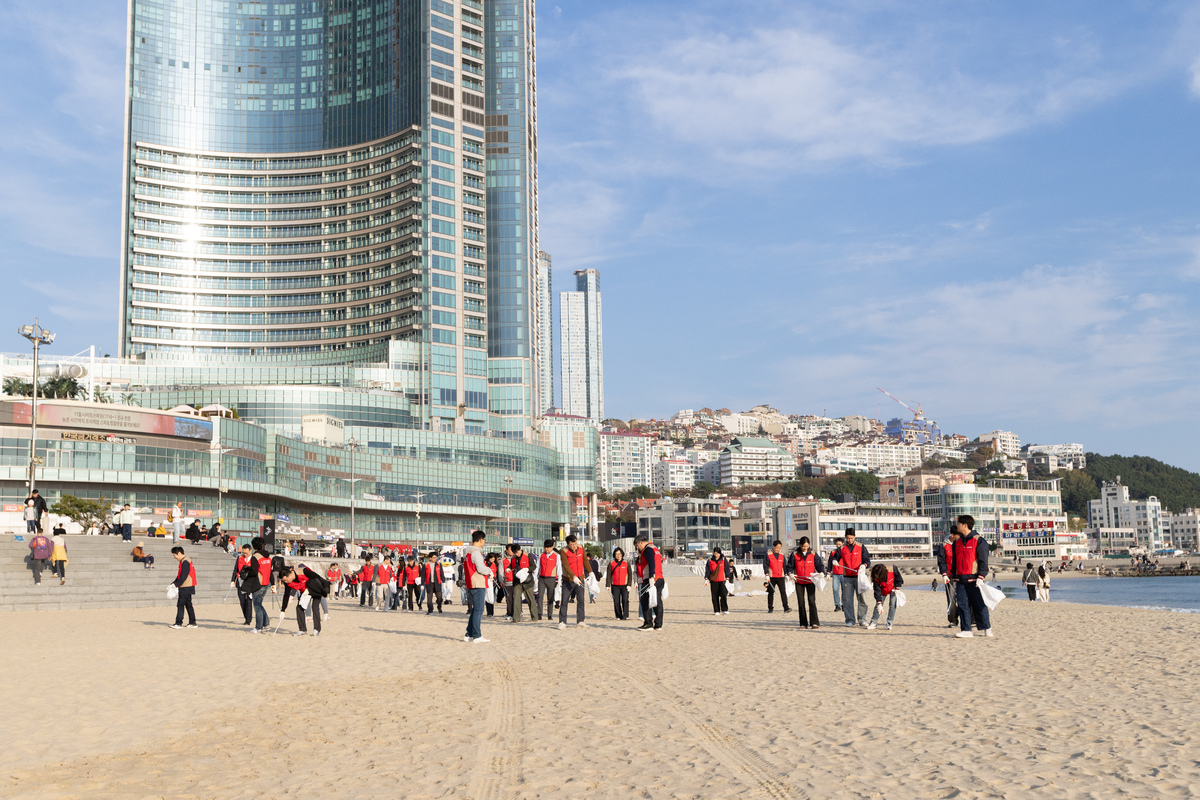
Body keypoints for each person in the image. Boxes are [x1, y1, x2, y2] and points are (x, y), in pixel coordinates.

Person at [949, 515, 991, 638]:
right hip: (960, 579)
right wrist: (953, 575)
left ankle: (987, 627)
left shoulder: (979, 540)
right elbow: (955, 561)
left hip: (974, 578)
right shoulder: (956, 542)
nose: (957, 526)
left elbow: (983, 561)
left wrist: (981, 576)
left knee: (979, 604)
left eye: (959, 524)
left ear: (965, 525)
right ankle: (966, 630)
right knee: (962, 605)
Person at [829, 529, 871, 627]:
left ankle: (862, 619)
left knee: (862, 599)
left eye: (851, 538)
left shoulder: (861, 547)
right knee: (847, 600)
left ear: (855, 537)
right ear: (845, 537)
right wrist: (834, 561)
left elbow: (867, 560)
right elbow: (835, 557)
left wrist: (864, 565)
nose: (849, 540)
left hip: (859, 577)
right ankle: (850, 620)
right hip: (847, 577)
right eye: (847, 538)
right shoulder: (842, 548)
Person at [279, 563, 328, 636]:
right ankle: (302, 629)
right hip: (304, 592)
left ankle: (316, 629)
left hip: (315, 589)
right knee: (299, 608)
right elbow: (286, 595)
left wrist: (324, 589)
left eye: (286, 580)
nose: (286, 582)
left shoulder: (303, 571)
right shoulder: (288, 582)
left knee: (315, 607)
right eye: (284, 581)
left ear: (289, 575)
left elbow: (318, 578)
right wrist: (283, 610)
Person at [463, 530, 492, 643]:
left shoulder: (467, 552)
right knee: (479, 610)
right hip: (477, 583)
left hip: (471, 583)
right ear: (481, 540)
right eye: (484, 539)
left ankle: (469, 634)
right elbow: (481, 568)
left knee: (476, 610)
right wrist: (489, 571)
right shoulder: (475, 552)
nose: (484, 542)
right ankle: (477, 635)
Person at [788, 537, 824, 629]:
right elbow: (789, 566)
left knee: (812, 601)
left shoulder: (813, 554)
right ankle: (803, 623)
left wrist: (821, 572)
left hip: (810, 580)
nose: (805, 548)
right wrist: (790, 574)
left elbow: (819, 565)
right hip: (799, 581)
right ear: (800, 545)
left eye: (807, 546)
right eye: (803, 546)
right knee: (801, 602)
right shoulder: (794, 554)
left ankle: (814, 622)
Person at [557, 534, 589, 629]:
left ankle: (580, 621)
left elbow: (585, 561)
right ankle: (562, 621)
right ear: (568, 544)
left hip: (580, 579)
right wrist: (573, 577)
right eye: (572, 544)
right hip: (568, 580)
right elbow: (566, 566)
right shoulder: (563, 551)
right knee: (564, 601)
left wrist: (591, 573)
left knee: (581, 600)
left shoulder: (581, 548)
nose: (574, 546)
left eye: (575, 543)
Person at [635, 533, 664, 631]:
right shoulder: (655, 548)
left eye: (637, 546)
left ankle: (648, 624)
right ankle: (658, 624)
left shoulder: (647, 549)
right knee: (657, 601)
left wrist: (651, 576)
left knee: (645, 600)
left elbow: (651, 563)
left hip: (651, 578)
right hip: (660, 578)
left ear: (641, 542)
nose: (638, 548)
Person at [506, 544, 538, 622]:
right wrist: (508, 568)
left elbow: (533, 566)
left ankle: (534, 617)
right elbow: (511, 565)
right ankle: (516, 618)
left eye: (518, 552)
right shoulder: (513, 558)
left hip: (527, 580)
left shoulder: (528, 555)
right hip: (517, 581)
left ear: (521, 549)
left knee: (530, 599)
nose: (517, 554)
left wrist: (528, 569)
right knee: (516, 598)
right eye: (515, 553)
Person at [867, 563, 904, 630]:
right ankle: (873, 622)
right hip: (882, 589)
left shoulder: (893, 569)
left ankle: (889, 623)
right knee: (878, 606)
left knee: (892, 605)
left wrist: (897, 588)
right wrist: (879, 602)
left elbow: (899, 578)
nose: (877, 576)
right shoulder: (875, 577)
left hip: (893, 588)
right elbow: (877, 590)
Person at [247, 537, 273, 633]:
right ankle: (266, 624)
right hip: (266, 583)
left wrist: (247, 572)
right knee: (259, 604)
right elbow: (270, 571)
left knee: (257, 605)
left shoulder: (255, 557)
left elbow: (254, 571)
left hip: (258, 583)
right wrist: (273, 583)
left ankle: (259, 627)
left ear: (253, 546)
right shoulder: (267, 557)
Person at [169, 546, 197, 628]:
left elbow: (184, 576)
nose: (175, 557)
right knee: (188, 604)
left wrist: (176, 584)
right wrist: (173, 583)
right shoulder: (185, 560)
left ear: (179, 553)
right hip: (188, 585)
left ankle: (178, 623)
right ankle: (192, 622)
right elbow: (180, 575)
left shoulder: (185, 561)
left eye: (175, 555)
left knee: (180, 604)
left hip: (186, 586)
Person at [229, 544, 255, 625]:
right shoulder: (240, 558)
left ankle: (248, 620)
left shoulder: (254, 559)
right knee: (242, 601)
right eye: (243, 552)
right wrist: (233, 580)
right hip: (240, 582)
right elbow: (235, 570)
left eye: (246, 552)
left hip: (250, 583)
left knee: (248, 601)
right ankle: (246, 617)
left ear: (250, 551)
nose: (245, 554)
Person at [763, 540, 790, 613]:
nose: (778, 549)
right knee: (771, 592)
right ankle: (770, 608)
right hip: (772, 577)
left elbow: (784, 566)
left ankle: (786, 607)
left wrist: (786, 574)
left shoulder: (782, 555)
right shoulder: (768, 554)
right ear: (773, 547)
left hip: (781, 576)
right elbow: (765, 565)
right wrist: (766, 574)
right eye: (777, 547)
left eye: (780, 548)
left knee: (783, 592)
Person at [606, 547, 633, 620]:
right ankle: (618, 616)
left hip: (624, 585)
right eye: (616, 554)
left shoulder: (626, 563)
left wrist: (629, 584)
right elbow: (608, 575)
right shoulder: (611, 563)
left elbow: (630, 574)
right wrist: (607, 585)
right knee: (616, 601)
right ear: (614, 555)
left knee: (625, 600)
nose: (618, 555)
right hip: (615, 585)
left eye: (619, 554)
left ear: (622, 554)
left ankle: (626, 615)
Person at [536, 539, 560, 622]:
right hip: (541, 578)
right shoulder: (541, 555)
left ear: (552, 547)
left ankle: (550, 615)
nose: (547, 549)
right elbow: (537, 567)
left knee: (550, 597)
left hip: (551, 579)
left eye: (548, 547)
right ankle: (539, 614)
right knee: (540, 596)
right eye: (545, 547)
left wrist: (559, 579)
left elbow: (559, 569)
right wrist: (535, 577)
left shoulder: (557, 556)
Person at [705, 548, 730, 615]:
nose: (716, 555)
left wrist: (727, 577)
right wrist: (706, 578)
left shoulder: (723, 560)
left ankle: (724, 609)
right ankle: (716, 610)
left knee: (724, 594)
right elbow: (707, 570)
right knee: (714, 596)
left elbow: (727, 569)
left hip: (722, 580)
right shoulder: (710, 561)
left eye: (717, 553)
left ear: (720, 553)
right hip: (714, 580)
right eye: (715, 553)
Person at [828, 536, 844, 613]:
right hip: (835, 574)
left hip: (844, 573)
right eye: (837, 544)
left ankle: (844, 604)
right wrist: (828, 572)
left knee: (844, 590)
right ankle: (837, 605)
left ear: (843, 544)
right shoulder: (833, 552)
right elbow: (829, 562)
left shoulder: (845, 552)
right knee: (835, 589)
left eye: (839, 544)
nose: (838, 546)